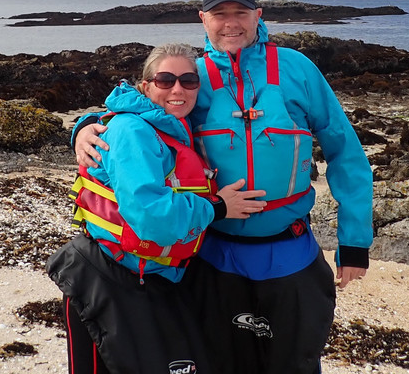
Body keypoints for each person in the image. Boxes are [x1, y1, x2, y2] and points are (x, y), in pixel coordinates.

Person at [76, 0, 374, 374]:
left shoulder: (298, 69)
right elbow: (143, 113)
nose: (230, 23)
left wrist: (353, 243)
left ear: (258, 16)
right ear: (203, 19)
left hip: (291, 251)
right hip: (213, 256)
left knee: (294, 362)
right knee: (218, 361)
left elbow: (346, 153)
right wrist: (85, 125)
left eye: (240, 12)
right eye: (219, 14)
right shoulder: (192, 79)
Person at [48, 42, 266, 374]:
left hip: (155, 275)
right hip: (109, 277)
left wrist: (83, 123)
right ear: (146, 86)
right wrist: (219, 208)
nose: (178, 89)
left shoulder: (177, 126)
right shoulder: (133, 130)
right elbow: (153, 218)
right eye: (165, 80)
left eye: (189, 81)